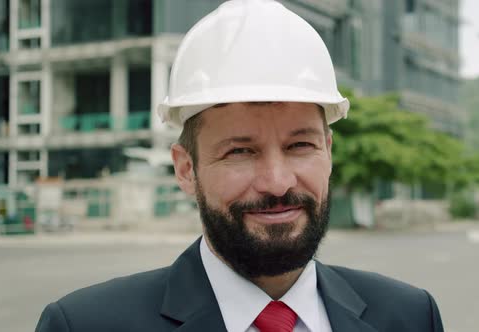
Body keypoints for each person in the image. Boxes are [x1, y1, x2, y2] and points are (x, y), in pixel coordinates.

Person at [35, 1, 444, 331]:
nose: (278, 182)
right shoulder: (85, 325)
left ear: (329, 151)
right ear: (185, 170)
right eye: (240, 152)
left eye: (300, 145)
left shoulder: (409, 317)